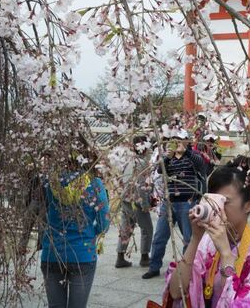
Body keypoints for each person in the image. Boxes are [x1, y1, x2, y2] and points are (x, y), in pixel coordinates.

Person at [166, 165, 250, 307]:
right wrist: (195, 239)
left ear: (248, 205)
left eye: (225, 202)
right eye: (213, 201)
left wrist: (226, 254)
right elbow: (176, 293)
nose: (217, 208)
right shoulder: (207, 242)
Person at [41, 163, 110, 308]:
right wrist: (93, 231)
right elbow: (104, 219)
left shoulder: (50, 181)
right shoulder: (94, 183)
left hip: (52, 252)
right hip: (82, 253)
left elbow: (42, 211)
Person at [142, 129, 207, 279]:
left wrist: (187, 151)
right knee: (159, 236)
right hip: (168, 202)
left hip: (187, 202)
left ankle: (186, 268)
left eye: (179, 139)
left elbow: (201, 166)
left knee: (188, 238)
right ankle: (154, 267)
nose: (176, 142)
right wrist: (166, 158)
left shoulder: (192, 157)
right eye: (174, 140)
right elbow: (160, 170)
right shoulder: (168, 158)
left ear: (186, 141)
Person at [115, 135, 154, 268]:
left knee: (126, 228)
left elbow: (120, 179)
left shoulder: (128, 160)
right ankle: (144, 256)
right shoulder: (142, 163)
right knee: (147, 228)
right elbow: (141, 186)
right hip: (137, 200)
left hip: (125, 198)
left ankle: (120, 256)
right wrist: (145, 205)